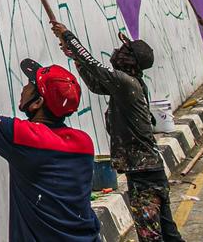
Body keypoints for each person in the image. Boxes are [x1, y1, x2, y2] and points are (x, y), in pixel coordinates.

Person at [0, 46, 100, 241]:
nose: (24, 87)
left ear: (37, 103)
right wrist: (0, 126)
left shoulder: (24, 138)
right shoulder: (84, 143)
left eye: (30, 84)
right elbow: (35, 142)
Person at [50, 22, 185, 242]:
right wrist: (74, 56)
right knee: (168, 234)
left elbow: (95, 66)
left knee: (151, 236)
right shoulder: (128, 84)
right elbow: (96, 84)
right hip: (148, 171)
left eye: (123, 51)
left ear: (129, 59)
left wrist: (68, 36)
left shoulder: (126, 83)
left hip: (145, 175)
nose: (117, 52)